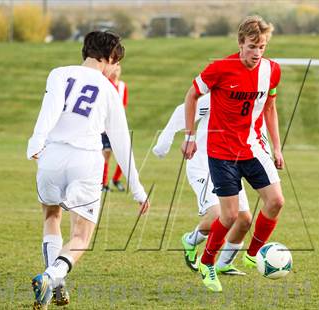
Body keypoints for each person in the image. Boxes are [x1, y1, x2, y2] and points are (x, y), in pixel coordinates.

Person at [27, 30, 150, 309]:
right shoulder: (109, 90)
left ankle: (54, 288)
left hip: (52, 155)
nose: (114, 67)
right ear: (107, 57)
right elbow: (122, 142)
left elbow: (50, 108)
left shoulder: (58, 73)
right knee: (81, 236)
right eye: (114, 60)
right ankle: (51, 276)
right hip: (85, 159)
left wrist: (35, 141)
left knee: (51, 215)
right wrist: (138, 189)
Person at [181, 16, 284, 292]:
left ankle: (254, 256)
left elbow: (270, 108)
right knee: (229, 217)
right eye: (252, 46)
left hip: (252, 148)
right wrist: (190, 136)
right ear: (240, 43)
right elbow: (191, 95)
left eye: (261, 47)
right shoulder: (220, 69)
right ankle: (207, 262)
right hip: (221, 151)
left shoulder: (272, 71)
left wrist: (276, 147)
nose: (257, 53)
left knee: (275, 201)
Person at [154, 93, 271, 276]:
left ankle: (223, 264)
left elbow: (258, 130)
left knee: (244, 220)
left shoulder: (252, 100)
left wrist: (267, 153)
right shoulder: (218, 97)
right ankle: (191, 241)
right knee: (218, 214)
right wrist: (164, 143)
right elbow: (182, 111)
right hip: (203, 166)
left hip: (229, 167)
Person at [101, 63, 128, 192]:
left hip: (118, 126)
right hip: (106, 126)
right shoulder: (106, 84)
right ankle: (103, 183)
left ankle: (116, 179)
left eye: (119, 68)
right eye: (115, 68)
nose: (116, 70)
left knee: (124, 153)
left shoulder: (123, 86)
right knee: (106, 153)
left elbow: (124, 106)